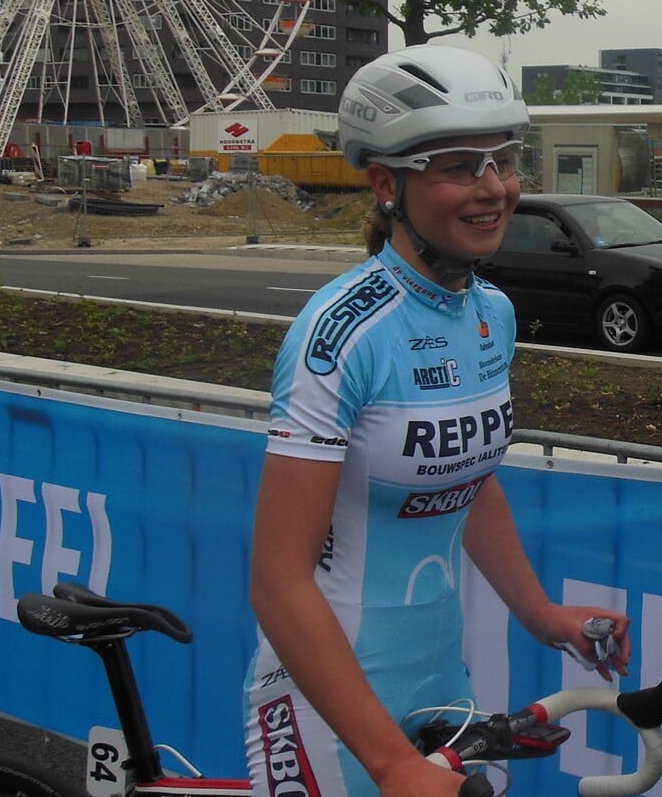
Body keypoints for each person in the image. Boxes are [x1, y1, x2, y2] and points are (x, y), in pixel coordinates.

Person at [244, 45, 630, 797]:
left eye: (505, 160)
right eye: (459, 165)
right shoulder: (339, 335)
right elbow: (277, 579)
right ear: (387, 184)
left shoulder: (492, 313)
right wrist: (390, 765)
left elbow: (467, 480)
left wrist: (541, 612)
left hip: (437, 675)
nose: (495, 189)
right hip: (328, 696)